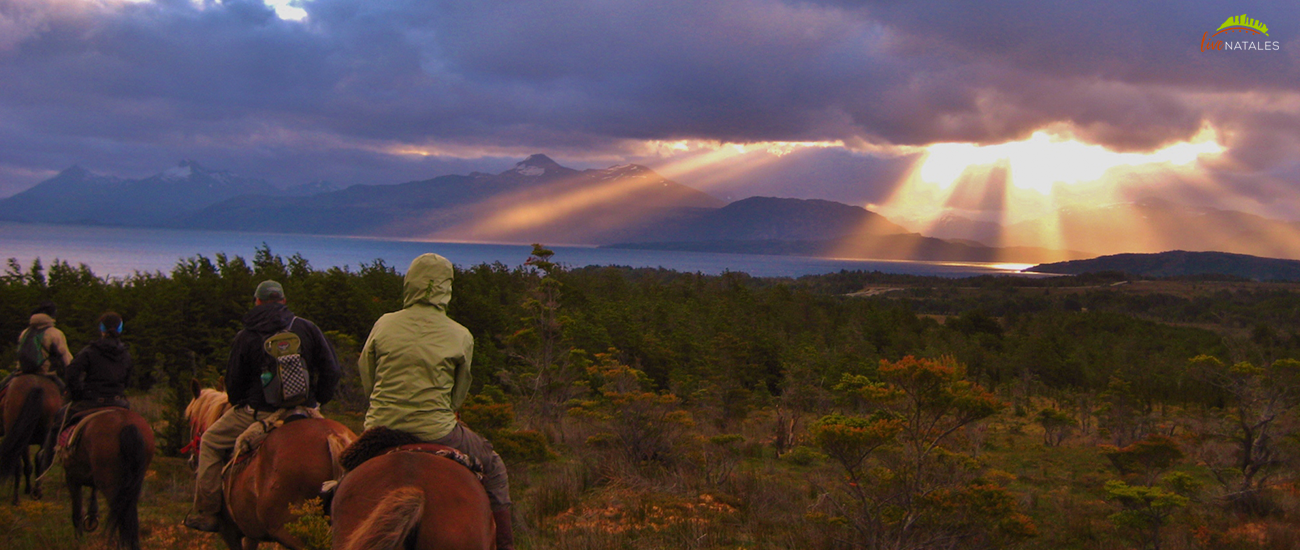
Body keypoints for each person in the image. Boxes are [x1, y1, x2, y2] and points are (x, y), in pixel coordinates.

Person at [358, 253, 514, 550]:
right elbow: (460, 390)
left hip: (380, 427)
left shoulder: (384, 323)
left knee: (343, 476)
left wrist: (381, 402)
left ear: (409, 283)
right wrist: (447, 408)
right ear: (446, 288)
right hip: (437, 430)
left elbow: (366, 371)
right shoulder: (460, 334)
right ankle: (506, 545)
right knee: (493, 466)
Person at [184, 280, 341, 533]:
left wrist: (243, 403)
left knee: (211, 441)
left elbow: (234, 384)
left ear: (257, 302)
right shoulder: (307, 328)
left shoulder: (246, 336)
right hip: (306, 411)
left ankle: (206, 511)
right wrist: (316, 400)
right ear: (283, 301)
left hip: (260, 413)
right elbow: (332, 370)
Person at [37, 311, 132, 470]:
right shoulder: (126, 354)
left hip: (91, 401)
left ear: (101, 329)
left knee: (58, 423)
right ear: (120, 329)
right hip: (119, 402)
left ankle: (44, 468)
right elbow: (127, 380)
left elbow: (72, 372)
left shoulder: (90, 351)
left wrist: (78, 393)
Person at [1, 301, 72, 396]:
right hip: (46, 373)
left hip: (21, 371)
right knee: (69, 397)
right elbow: (65, 357)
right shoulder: (55, 333)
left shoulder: (25, 333)